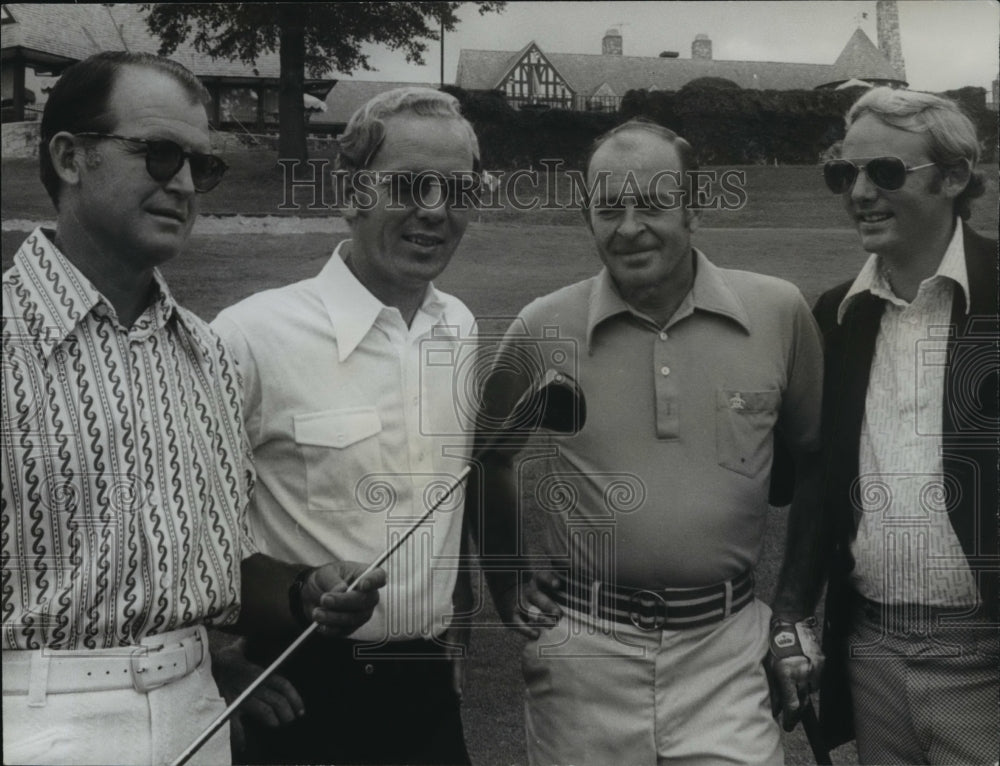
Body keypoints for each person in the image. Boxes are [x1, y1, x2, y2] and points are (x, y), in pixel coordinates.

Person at [1, 51, 384, 766]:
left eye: (200, 167)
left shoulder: (206, 354)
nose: (183, 184)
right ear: (70, 157)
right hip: (36, 722)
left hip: (200, 716)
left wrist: (303, 591)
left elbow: (217, 565)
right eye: (159, 154)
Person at [468, 118, 824, 765]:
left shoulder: (778, 311)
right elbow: (490, 456)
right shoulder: (541, 326)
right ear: (587, 216)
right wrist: (508, 579)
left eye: (652, 203)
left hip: (725, 650)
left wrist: (792, 611)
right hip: (583, 658)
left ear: (694, 207)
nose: (628, 226)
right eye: (608, 207)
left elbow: (818, 466)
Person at [210, 86, 482, 765]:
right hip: (299, 691)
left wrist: (458, 620)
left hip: (425, 698)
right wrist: (213, 661)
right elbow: (175, 522)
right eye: (410, 186)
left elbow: (453, 489)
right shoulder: (250, 336)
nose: (435, 212)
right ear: (349, 190)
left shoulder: (462, 328)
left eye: (457, 190)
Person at [772, 87, 999, 763]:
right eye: (846, 173)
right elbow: (814, 480)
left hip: (987, 664)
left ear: (955, 177)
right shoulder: (837, 315)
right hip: (870, 656)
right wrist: (789, 613)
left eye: (886, 172)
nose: (860, 193)